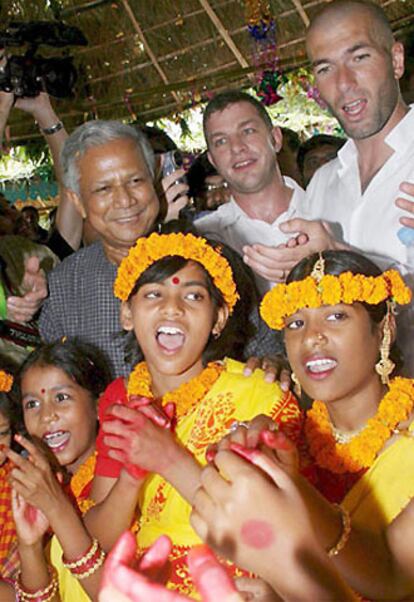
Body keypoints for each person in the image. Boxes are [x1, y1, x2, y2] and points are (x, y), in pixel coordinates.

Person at [83, 230, 301, 599]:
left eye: (193, 296)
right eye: (154, 294)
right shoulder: (125, 406)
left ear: (219, 318)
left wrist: (167, 457)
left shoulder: (259, 394)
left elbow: (268, 531)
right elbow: (98, 538)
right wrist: (131, 480)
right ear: (127, 313)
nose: (173, 308)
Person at [193, 249, 414, 599]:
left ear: (384, 328)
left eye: (336, 316)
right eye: (296, 323)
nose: (311, 338)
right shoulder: (290, 439)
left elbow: (393, 577)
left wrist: (292, 489)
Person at [7, 338, 112, 600]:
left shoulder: (120, 483)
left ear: (99, 406)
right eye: (32, 404)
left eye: (61, 398)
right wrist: (29, 545)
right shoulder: (48, 485)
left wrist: (56, 508)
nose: (46, 416)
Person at [195, 90, 306, 295]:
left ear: (275, 139)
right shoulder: (202, 239)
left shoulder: (331, 209)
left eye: (247, 131)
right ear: (213, 160)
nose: (237, 147)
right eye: (221, 141)